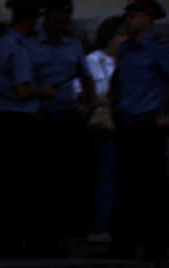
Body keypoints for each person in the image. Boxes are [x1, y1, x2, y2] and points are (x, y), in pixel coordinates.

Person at [0, 0, 57, 258]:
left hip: (3, 119)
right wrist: (45, 91)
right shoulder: (17, 49)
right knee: (21, 183)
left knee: (5, 182)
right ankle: (14, 241)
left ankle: (2, 239)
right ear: (32, 18)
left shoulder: (1, 44)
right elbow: (22, 89)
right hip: (20, 121)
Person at [103, 0, 169, 261]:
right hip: (127, 123)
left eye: (134, 15)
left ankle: (155, 245)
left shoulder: (158, 51)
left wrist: (166, 115)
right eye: (127, 15)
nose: (128, 20)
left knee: (152, 188)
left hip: (147, 124)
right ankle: (123, 243)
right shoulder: (127, 50)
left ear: (148, 18)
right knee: (124, 186)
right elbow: (118, 82)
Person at [30, 0, 95, 255]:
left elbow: (86, 76)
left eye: (66, 22)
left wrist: (88, 108)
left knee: (61, 181)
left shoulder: (74, 45)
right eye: (58, 21)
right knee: (38, 180)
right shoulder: (31, 44)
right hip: (39, 118)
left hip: (67, 118)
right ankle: (37, 237)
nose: (62, 26)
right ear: (46, 16)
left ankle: (54, 236)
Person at [83, 16, 126, 242]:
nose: (125, 39)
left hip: (126, 122)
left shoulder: (129, 60)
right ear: (111, 38)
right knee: (104, 175)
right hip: (104, 125)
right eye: (121, 35)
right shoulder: (93, 60)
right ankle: (100, 226)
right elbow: (79, 90)